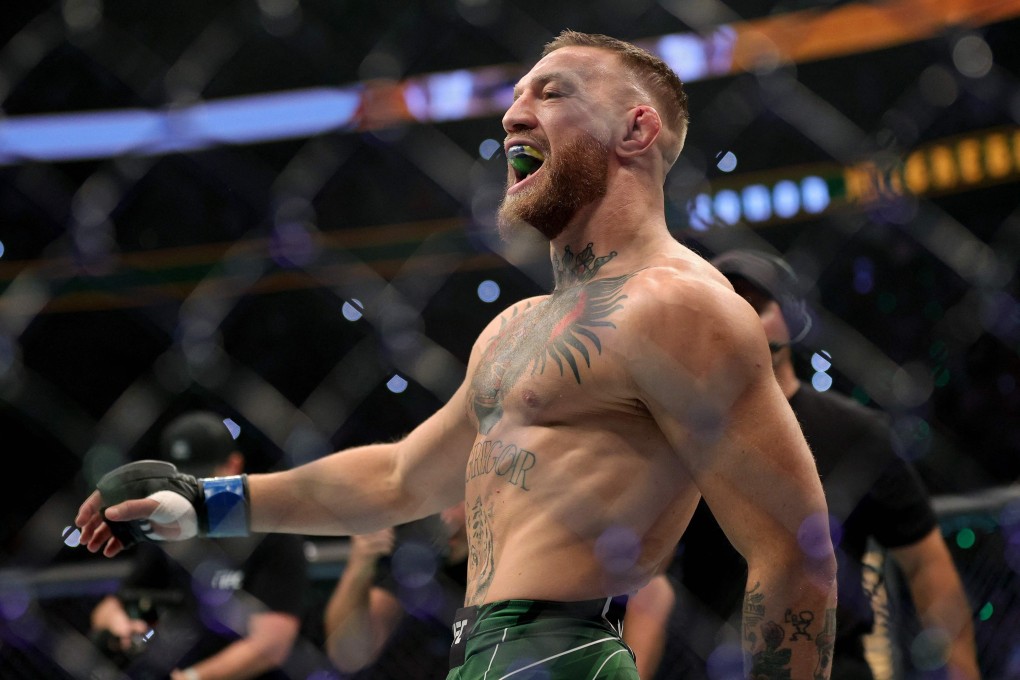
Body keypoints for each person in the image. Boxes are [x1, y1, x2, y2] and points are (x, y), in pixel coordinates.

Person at [76, 31, 838, 679]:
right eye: (515, 96)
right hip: (477, 650)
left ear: (635, 132)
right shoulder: (514, 329)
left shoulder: (682, 304)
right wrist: (204, 502)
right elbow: (400, 477)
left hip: (563, 650)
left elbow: (793, 549)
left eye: (552, 93)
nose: (513, 113)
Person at [625, 249, 981, 680]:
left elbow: (926, 565)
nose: (743, 318)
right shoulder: (680, 439)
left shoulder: (856, 432)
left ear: (790, 320)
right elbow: (648, 578)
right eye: (728, 304)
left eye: (757, 304)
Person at [89, 411, 309, 680]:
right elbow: (111, 607)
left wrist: (194, 677)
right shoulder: (168, 529)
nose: (193, 489)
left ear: (233, 466)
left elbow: (273, 642)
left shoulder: (272, 532)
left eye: (203, 477)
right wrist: (119, 624)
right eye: (183, 479)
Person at [321, 504, 468, 677]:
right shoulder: (414, 553)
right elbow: (348, 656)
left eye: (457, 498)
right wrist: (360, 564)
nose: (446, 514)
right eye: (441, 500)